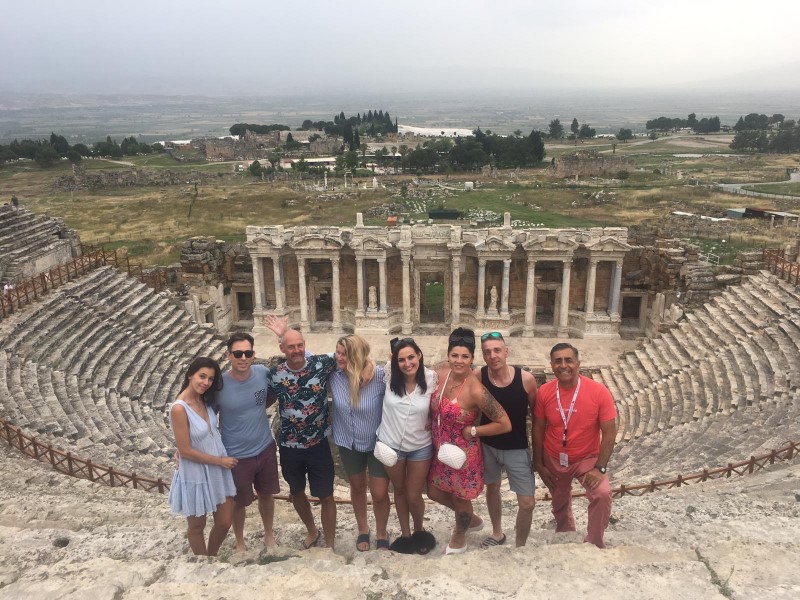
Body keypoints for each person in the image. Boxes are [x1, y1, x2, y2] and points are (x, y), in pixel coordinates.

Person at [427, 327, 511, 554]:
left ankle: (460, 534)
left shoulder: (476, 389)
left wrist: (474, 431)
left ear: (472, 359)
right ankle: (471, 519)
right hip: (441, 449)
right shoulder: (442, 375)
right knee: (433, 491)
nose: (459, 361)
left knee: (460, 498)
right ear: (448, 356)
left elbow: (504, 423)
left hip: (463, 456)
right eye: (455, 355)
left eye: (465, 356)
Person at [533, 343, 617, 549]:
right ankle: (564, 531)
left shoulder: (598, 392)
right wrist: (538, 462)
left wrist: (600, 467)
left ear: (578, 363)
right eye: (558, 361)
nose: (563, 365)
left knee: (602, 493)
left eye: (568, 360)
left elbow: (609, 431)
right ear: (552, 366)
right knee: (559, 498)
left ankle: (595, 539)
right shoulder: (544, 392)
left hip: (586, 458)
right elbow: (538, 427)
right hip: (554, 455)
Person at [269, 327, 338, 549]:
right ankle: (312, 530)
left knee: (326, 495)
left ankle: (329, 544)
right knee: (296, 492)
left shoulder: (322, 363)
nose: (297, 350)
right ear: (282, 348)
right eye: (291, 346)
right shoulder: (275, 374)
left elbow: (352, 355)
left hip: (318, 444)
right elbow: (265, 401)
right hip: (290, 446)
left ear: (305, 344)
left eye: (300, 345)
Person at [216, 332, 281, 552]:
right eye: (238, 353)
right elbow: (205, 417)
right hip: (236, 455)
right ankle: (240, 541)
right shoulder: (220, 385)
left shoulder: (262, 373)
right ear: (228, 356)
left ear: (253, 354)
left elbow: (270, 396)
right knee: (238, 502)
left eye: (248, 353)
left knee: (266, 494)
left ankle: (269, 534)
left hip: (264, 447)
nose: (243, 358)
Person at [168, 357, 237, 556]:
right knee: (197, 525)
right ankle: (202, 561)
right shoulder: (179, 408)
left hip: (216, 468)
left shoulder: (205, 399)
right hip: (196, 471)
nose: (205, 382)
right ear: (190, 375)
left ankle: (212, 555)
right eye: (202, 376)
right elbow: (186, 450)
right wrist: (221, 461)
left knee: (224, 522)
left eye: (210, 379)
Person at [330, 334, 391, 551]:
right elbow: (307, 358)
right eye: (337, 352)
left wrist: (371, 365)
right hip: (348, 441)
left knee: (380, 492)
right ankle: (363, 530)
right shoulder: (334, 374)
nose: (338, 357)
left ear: (356, 355)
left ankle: (382, 532)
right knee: (357, 487)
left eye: (344, 354)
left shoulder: (379, 376)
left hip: (376, 441)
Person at [377, 337, 438, 555]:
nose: (407, 363)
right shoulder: (389, 375)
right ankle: (405, 534)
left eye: (411, 357)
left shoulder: (431, 379)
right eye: (402, 359)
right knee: (399, 490)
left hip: (420, 445)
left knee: (414, 494)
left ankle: (419, 530)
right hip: (390, 444)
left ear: (419, 356)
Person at [478, 331, 538, 548]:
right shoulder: (479, 376)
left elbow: (537, 416)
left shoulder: (526, 380)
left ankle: (520, 545)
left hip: (517, 447)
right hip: (488, 446)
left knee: (528, 502)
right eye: (487, 352)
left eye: (497, 350)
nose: (493, 355)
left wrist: (537, 454)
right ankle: (497, 532)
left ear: (506, 352)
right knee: (492, 488)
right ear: (483, 356)